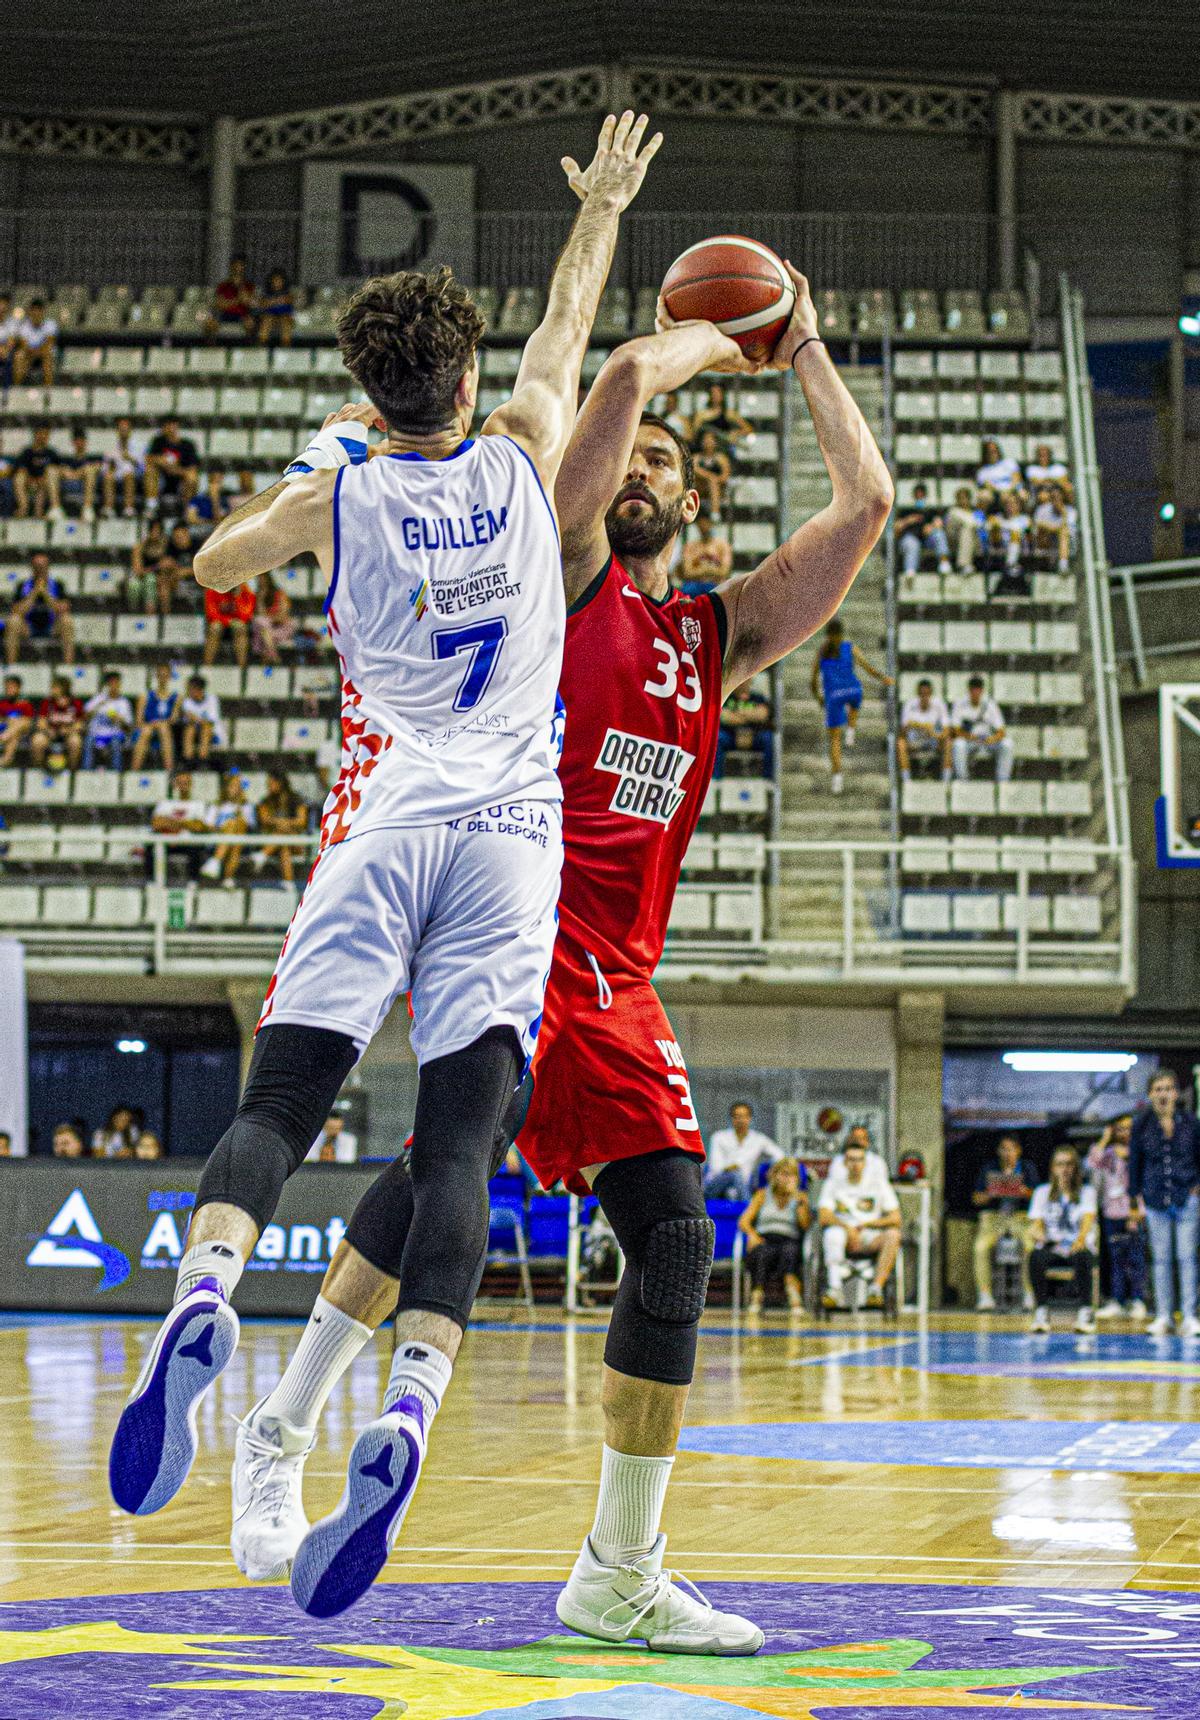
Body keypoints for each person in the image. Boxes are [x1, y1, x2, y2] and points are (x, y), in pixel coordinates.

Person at [215, 224, 890, 1652]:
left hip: (613, 974)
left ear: (697, 509)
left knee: (430, 1190)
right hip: (521, 920)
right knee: (664, 1232)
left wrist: (809, 347)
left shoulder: (715, 638)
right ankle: (616, 1566)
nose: (639, 467)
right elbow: (628, 367)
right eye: (628, 454)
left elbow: (867, 500)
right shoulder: (556, 557)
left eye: (665, 467)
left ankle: (282, 1431)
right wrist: (723, 333)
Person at [109, 112, 661, 1634]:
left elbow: (217, 566)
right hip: (511, 844)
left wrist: (318, 473)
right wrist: (602, 205)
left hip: (379, 818)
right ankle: (408, 1406)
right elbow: (569, 315)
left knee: (282, 1105)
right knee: (461, 1147)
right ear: (469, 383)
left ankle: (205, 1298)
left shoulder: (340, 488)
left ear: (367, 390)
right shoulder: (525, 450)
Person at [1129, 1069, 1200, 1337]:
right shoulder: (1141, 1124)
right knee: (1161, 1259)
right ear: (1150, 1094)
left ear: (1176, 1093)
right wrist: (1133, 1199)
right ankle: (1163, 1316)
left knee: (1187, 1257)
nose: (1163, 1094)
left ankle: (1190, 1316)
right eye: (1158, 1089)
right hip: (1155, 1197)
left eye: (1168, 1088)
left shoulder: (1191, 1122)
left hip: (1186, 1196)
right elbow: (1135, 1162)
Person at [810, 617, 892, 794]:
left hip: (833, 696)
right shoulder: (849, 647)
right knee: (855, 700)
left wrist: (819, 699)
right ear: (841, 634)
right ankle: (852, 729)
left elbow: (813, 681)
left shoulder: (822, 652)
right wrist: (882, 677)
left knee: (834, 740)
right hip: (853, 690)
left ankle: (837, 777)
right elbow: (867, 667)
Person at [818, 1138, 901, 1309]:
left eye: (859, 1159)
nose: (855, 1164)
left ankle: (875, 1289)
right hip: (844, 1235)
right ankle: (835, 1289)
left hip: (870, 1235)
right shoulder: (833, 1184)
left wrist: (870, 1224)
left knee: (893, 1235)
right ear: (844, 1162)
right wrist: (847, 1228)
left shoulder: (879, 1184)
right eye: (851, 1159)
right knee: (832, 1233)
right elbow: (824, 1216)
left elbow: (895, 1218)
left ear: (865, 1162)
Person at [1028, 1146, 1097, 1333]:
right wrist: (1037, 1232)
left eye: (1069, 1164)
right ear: (1052, 1168)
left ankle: (1085, 1311)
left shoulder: (1086, 1192)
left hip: (1076, 1244)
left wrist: (1080, 1239)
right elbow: (1037, 1222)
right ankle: (1041, 1311)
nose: (1064, 1169)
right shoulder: (1042, 1192)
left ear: (1075, 1167)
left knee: (1082, 1256)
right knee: (1035, 1256)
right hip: (1052, 1245)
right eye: (1060, 1164)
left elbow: (1087, 1220)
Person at [1087, 1115, 1148, 1320]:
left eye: (1129, 1128)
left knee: (1136, 1258)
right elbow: (1092, 1163)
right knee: (1116, 1258)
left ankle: (1138, 1299)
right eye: (1120, 1129)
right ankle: (1117, 1300)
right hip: (1112, 1211)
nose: (1126, 1132)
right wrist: (1105, 1139)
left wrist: (1140, 1209)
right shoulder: (1108, 1154)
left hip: (1134, 1211)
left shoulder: (1141, 1150)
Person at [972, 1134, 1037, 1312]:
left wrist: (1023, 1191)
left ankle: (1029, 1293)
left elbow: (1039, 1196)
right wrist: (990, 1193)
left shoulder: (1027, 1168)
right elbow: (976, 1198)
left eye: (1011, 1149)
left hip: (1021, 1217)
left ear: (1018, 1151)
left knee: (1030, 1247)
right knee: (980, 1247)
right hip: (995, 1217)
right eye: (1003, 1149)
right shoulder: (989, 1169)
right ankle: (985, 1295)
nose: (1007, 1153)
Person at [739, 1157, 809, 1313]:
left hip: (790, 1238)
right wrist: (752, 1235)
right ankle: (757, 1294)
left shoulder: (801, 1197)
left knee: (790, 1251)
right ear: (774, 1175)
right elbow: (744, 1221)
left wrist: (799, 1203)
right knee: (762, 1252)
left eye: (792, 1175)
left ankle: (793, 1293)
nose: (787, 1179)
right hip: (765, 1238)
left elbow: (805, 1226)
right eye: (784, 1174)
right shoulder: (762, 1194)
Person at [705, 1100, 784, 1200]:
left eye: (744, 1116)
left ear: (750, 1118)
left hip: (743, 1187)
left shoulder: (758, 1139)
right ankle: (748, 1207)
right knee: (735, 1175)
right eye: (736, 1116)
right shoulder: (718, 1137)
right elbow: (716, 1168)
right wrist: (732, 1168)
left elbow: (780, 1155)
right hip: (716, 1185)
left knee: (739, 1178)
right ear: (732, 1119)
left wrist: (772, 1169)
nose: (740, 1120)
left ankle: (748, 1208)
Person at [6, 552, 74, 665]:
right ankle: (12, 665)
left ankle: (68, 666)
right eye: (37, 566)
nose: (40, 569)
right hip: (28, 628)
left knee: (67, 620)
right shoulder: (22, 586)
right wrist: (35, 592)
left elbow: (62, 609)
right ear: (32, 567)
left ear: (48, 567)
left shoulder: (58, 585)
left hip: (51, 627)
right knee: (13, 621)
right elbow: (17, 610)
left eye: (43, 566)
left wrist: (45, 594)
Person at [146, 769, 211, 883]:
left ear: (191, 785)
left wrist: (171, 822)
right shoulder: (165, 803)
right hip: (168, 841)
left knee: (197, 846)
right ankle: (153, 881)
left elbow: (199, 827)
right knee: (151, 846)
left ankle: (193, 882)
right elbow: (156, 824)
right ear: (175, 784)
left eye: (186, 783)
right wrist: (187, 823)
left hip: (188, 842)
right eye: (180, 783)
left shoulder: (198, 804)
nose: (183, 786)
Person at [950, 675, 1013, 782]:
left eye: (978, 690)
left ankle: (1003, 781)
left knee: (1007, 744)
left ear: (982, 690)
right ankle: (963, 780)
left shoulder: (990, 704)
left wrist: (993, 738)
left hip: (987, 739)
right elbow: (955, 730)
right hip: (969, 740)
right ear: (969, 690)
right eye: (973, 690)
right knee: (958, 744)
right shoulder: (960, 704)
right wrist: (969, 737)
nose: (975, 693)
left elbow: (1001, 731)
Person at [199, 769, 255, 889]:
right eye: (231, 786)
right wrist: (224, 828)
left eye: (237, 786)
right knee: (233, 830)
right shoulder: (216, 806)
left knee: (237, 828)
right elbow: (208, 826)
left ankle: (216, 861)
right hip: (216, 840)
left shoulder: (246, 806)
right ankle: (228, 878)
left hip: (240, 842)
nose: (234, 789)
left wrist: (236, 818)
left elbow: (248, 827)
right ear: (226, 787)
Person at [253, 770, 307, 887]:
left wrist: (282, 823)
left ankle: (263, 854)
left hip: (296, 843)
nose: (268, 786)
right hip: (275, 843)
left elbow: (302, 821)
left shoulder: (296, 799)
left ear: (280, 783)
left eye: (271, 783)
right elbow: (264, 819)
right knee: (284, 847)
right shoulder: (266, 801)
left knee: (285, 836)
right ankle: (288, 884)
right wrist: (285, 823)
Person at [715, 679, 774, 778]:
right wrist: (751, 715)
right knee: (717, 738)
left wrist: (736, 713)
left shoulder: (757, 697)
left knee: (769, 738)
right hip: (731, 736)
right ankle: (715, 780)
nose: (743, 683)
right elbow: (723, 717)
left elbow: (763, 714)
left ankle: (767, 780)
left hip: (755, 736)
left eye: (746, 680)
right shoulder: (727, 698)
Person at [896, 678, 951, 782]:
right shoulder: (909, 705)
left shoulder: (939, 704)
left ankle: (946, 780)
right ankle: (906, 780)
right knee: (900, 743)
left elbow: (947, 730)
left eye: (927, 694)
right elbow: (902, 732)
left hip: (933, 740)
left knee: (948, 742)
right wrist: (919, 726)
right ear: (918, 693)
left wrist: (936, 735)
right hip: (915, 740)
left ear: (931, 694)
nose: (924, 697)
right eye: (922, 694)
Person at [144, 417, 200, 517]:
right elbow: (149, 458)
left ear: (177, 426)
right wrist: (161, 461)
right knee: (150, 469)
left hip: (180, 479)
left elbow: (193, 468)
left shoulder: (187, 445)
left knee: (192, 477)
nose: (170, 428)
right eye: (167, 425)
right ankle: (151, 505)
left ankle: (187, 508)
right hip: (161, 477)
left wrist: (175, 470)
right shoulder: (158, 442)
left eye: (173, 425)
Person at [894, 481, 951, 577]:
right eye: (918, 493)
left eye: (922, 493)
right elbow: (896, 528)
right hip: (910, 537)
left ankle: (944, 563)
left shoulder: (930, 509)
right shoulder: (906, 509)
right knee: (911, 543)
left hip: (927, 539)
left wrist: (932, 527)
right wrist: (907, 521)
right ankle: (910, 571)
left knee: (939, 534)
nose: (920, 495)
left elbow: (939, 523)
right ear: (914, 495)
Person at [82, 670, 134, 770]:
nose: (114, 685)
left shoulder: (124, 702)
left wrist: (119, 719)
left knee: (115, 743)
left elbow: (129, 727)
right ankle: (86, 773)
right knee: (88, 741)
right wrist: (97, 706)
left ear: (119, 684)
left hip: (115, 735)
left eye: (116, 682)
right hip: (96, 735)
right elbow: (84, 715)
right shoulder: (98, 698)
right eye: (111, 682)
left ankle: (116, 774)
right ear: (107, 684)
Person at [131, 663, 178, 772]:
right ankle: (134, 771)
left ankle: (169, 771)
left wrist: (160, 724)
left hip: (166, 730)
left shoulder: (176, 697)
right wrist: (153, 724)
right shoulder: (145, 696)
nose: (163, 678)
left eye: (165, 675)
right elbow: (138, 721)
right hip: (146, 729)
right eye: (160, 675)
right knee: (146, 731)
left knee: (163, 728)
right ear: (157, 676)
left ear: (169, 676)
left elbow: (174, 719)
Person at [30, 675, 83, 770]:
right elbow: (41, 722)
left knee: (75, 742)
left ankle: (72, 769)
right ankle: (38, 768)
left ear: (63, 688)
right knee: (37, 741)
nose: (51, 689)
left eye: (54, 687)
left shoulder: (76, 703)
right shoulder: (47, 702)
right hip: (50, 733)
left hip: (68, 734)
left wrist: (68, 730)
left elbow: (79, 724)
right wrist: (48, 730)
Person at [13, 424, 64, 520]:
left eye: (46, 434)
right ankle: (23, 507)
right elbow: (21, 469)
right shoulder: (27, 452)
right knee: (19, 477)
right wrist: (31, 479)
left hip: (45, 483)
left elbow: (59, 470)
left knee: (49, 475)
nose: (44, 436)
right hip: (28, 481)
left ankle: (40, 512)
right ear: (36, 434)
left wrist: (42, 479)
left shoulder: (51, 453)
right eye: (41, 433)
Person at [203, 583, 256, 668]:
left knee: (241, 627)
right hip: (220, 623)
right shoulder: (213, 588)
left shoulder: (245, 589)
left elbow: (246, 615)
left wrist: (237, 596)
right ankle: (207, 666)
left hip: (237, 625)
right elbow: (211, 614)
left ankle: (242, 668)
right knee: (214, 627)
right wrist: (229, 621)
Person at [689, 382, 753, 452]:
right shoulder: (701, 415)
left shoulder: (729, 413)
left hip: (722, 449)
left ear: (723, 395)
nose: (715, 395)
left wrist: (736, 433)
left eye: (718, 392)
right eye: (713, 393)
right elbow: (693, 435)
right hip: (704, 450)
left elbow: (748, 429)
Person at [102, 417, 145, 518]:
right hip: (116, 473)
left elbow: (143, 467)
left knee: (128, 474)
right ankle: (108, 508)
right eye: (121, 429)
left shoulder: (139, 446)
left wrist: (130, 458)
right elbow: (105, 467)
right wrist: (110, 467)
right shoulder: (111, 448)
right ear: (117, 431)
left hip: (134, 473)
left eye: (126, 429)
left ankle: (129, 508)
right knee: (108, 476)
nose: (123, 431)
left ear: (130, 430)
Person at [678, 511, 732, 591]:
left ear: (711, 524)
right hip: (695, 585)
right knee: (686, 590)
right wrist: (710, 570)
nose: (703, 526)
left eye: (706, 522)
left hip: (716, 585)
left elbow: (725, 571)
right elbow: (687, 572)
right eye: (701, 523)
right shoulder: (690, 546)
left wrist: (701, 569)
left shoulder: (722, 546)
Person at [206, 257, 256, 339]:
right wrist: (238, 300)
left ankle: (248, 347)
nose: (238, 268)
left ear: (244, 268)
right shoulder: (223, 285)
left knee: (250, 322)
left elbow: (248, 302)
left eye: (240, 266)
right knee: (209, 322)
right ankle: (211, 348)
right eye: (236, 266)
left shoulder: (249, 286)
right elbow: (220, 304)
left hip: (242, 315)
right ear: (232, 267)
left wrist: (240, 287)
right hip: (225, 314)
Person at [56, 427, 100, 522]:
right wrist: (66, 472)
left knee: (89, 469)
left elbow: (99, 467)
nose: (79, 443)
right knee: (54, 470)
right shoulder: (67, 460)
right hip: (69, 481)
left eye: (81, 440)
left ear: (85, 442)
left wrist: (79, 472)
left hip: (87, 481)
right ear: (73, 442)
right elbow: (59, 469)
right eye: (77, 440)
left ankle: (87, 508)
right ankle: (56, 508)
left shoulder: (93, 458)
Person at [250, 571, 294, 664]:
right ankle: (275, 658)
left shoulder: (280, 594)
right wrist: (261, 599)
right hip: (265, 630)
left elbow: (283, 616)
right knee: (261, 626)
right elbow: (261, 615)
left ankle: (271, 660)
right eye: (259, 580)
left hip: (281, 628)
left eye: (263, 579)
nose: (261, 582)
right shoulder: (258, 595)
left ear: (268, 580)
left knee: (262, 627)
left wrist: (269, 619)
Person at [12, 299, 58, 386]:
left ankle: (47, 390)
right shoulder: (23, 325)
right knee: (18, 356)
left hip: (44, 355)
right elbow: (24, 345)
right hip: (29, 355)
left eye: (39, 310)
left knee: (47, 356)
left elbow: (49, 343)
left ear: (43, 311)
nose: (36, 313)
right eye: (34, 310)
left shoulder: (51, 324)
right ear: (30, 311)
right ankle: (17, 386)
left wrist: (37, 353)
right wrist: (33, 354)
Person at [179, 673, 222, 762]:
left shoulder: (212, 699)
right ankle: (188, 761)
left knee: (206, 728)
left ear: (198, 689)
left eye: (190, 689)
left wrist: (196, 719)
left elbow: (211, 721)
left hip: (212, 733)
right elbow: (188, 721)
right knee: (190, 730)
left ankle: (203, 761)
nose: (188, 691)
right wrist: (196, 720)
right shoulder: (187, 702)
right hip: (195, 733)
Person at [692, 427, 731, 518]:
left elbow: (725, 476)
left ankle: (715, 511)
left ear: (715, 442)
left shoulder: (721, 458)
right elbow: (693, 471)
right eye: (705, 440)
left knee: (713, 482)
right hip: (700, 487)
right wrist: (709, 476)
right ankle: (715, 512)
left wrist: (713, 480)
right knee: (710, 479)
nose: (707, 442)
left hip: (717, 489)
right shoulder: (696, 457)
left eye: (710, 440)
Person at [944, 485, 981, 572]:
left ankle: (964, 565)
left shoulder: (977, 513)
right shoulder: (953, 512)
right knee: (965, 528)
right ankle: (964, 565)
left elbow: (982, 528)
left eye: (965, 498)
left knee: (968, 529)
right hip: (955, 541)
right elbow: (948, 529)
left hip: (976, 542)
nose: (962, 500)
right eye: (960, 498)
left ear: (969, 499)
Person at [0, 673, 34, 766]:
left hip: (22, 734)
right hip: (6, 731)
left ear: (19, 688)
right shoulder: (2, 704)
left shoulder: (25, 704)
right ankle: (5, 760)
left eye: (12, 687)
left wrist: (14, 721)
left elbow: (28, 723)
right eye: (7, 688)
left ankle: (5, 738)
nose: (9, 690)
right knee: (14, 733)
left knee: (20, 723)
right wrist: (8, 720)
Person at [257, 270, 296, 346]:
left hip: (285, 317)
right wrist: (276, 301)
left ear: (283, 281)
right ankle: (261, 346)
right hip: (270, 317)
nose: (277, 282)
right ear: (271, 282)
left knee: (285, 321)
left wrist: (272, 301)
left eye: (279, 280)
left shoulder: (288, 292)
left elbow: (290, 299)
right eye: (275, 280)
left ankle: (285, 347)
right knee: (267, 320)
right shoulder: (266, 293)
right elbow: (262, 304)